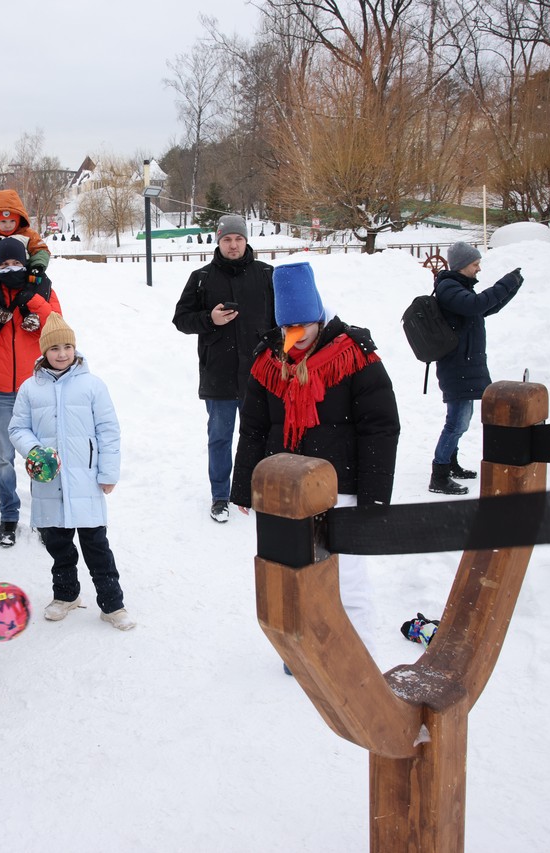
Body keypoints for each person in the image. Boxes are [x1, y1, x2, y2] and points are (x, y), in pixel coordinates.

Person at [229, 261, 398, 659]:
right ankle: (306, 655)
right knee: (294, 578)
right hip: (286, 493)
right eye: (288, 328)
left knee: (348, 580)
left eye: (303, 326)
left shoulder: (354, 356)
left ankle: (359, 659)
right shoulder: (267, 361)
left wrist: (373, 498)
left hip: (342, 490)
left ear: (318, 317)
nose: (296, 336)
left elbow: (381, 427)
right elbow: (252, 428)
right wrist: (245, 488)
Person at [9, 314, 134, 630]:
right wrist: (35, 450)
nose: (62, 353)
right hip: (50, 482)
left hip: (86, 480)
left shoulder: (92, 385)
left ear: (75, 348)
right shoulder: (30, 388)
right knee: (58, 545)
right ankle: (66, 595)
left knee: (96, 545)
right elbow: (17, 427)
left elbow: (108, 430)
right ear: (44, 351)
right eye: (54, 348)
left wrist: (107, 473)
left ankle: (112, 604)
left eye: (67, 346)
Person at [171, 214, 276, 524]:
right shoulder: (202, 277)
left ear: (246, 241)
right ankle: (221, 495)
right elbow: (181, 319)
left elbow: (283, 321)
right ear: (218, 241)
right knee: (220, 437)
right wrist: (209, 319)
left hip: (259, 374)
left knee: (258, 435)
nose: (233, 244)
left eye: (238, 239)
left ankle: (257, 492)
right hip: (218, 374)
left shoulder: (266, 275)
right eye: (227, 239)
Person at [0, 237, 63, 547]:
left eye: (16, 263)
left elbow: (58, 329)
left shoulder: (43, 290)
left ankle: (44, 517)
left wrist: (30, 298)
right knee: (3, 458)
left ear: (25, 262)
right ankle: (9, 514)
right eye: (4, 264)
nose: (11, 268)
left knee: (41, 455)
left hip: (37, 388)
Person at [429, 242, 523, 494]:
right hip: (456, 366)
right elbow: (476, 305)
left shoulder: (459, 288)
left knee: (462, 420)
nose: (479, 269)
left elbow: (486, 307)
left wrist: (512, 286)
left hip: (465, 365)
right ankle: (438, 475)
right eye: (475, 264)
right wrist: (505, 283)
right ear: (462, 265)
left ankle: (450, 463)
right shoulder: (448, 287)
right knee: (456, 422)